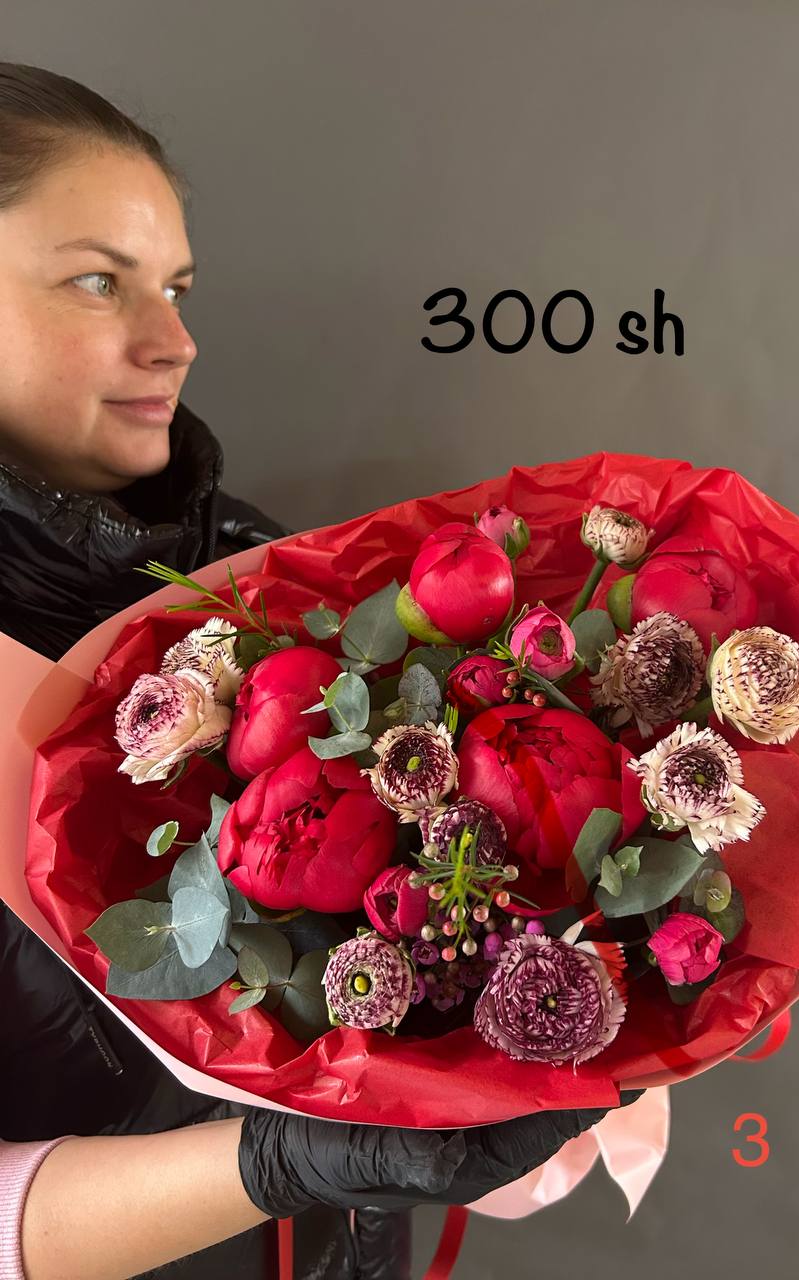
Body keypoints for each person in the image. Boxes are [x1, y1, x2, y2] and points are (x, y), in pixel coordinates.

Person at [0, 63, 641, 1280]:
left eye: (176, 286)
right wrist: (272, 1163)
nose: (175, 340)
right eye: (97, 280)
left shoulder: (264, 564)